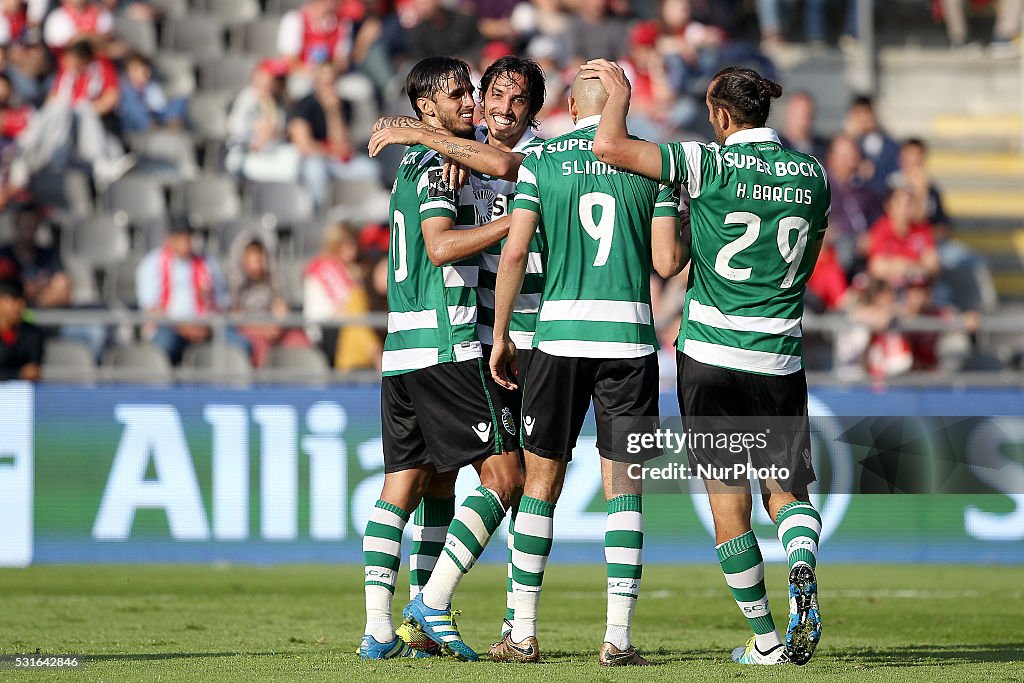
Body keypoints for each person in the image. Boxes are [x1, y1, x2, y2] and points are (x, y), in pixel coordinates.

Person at [585, 60, 829, 665]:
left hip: (710, 353)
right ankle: (800, 564)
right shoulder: (814, 175)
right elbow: (809, 262)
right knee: (788, 493)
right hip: (776, 352)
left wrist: (618, 95)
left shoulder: (707, 162)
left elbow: (610, 147)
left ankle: (767, 640)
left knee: (728, 503)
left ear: (720, 115)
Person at [489, 72, 685, 666]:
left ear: (570, 106)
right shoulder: (650, 163)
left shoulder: (542, 159)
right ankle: (617, 639)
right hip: (627, 341)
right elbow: (666, 261)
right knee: (624, 489)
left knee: (540, 486)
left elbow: (518, 251)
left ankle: (522, 634)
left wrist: (500, 335)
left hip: (557, 340)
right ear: (619, 105)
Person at [369, 53, 547, 647]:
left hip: (402, 347)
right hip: (448, 342)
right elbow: (442, 247)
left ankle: (382, 630)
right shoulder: (432, 161)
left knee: (418, 485)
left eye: (475, 92)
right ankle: (430, 604)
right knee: (506, 476)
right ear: (426, 108)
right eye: (460, 95)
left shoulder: (437, 158)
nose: (474, 103)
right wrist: (519, 220)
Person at [136, 221, 247, 365]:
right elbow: (150, 308)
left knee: (240, 345)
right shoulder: (152, 263)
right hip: (167, 326)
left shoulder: (207, 262)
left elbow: (221, 302)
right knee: (166, 344)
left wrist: (207, 323)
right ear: (169, 239)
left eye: (189, 237)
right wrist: (182, 327)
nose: (187, 242)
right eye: (181, 237)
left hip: (206, 326)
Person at [288, 62, 378, 211]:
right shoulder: (304, 104)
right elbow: (304, 145)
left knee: (370, 169)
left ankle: (362, 216)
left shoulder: (344, 105)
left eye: (331, 82)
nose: (328, 86)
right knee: (315, 170)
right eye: (324, 82)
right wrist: (331, 151)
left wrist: (333, 113)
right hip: (315, 158)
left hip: (335, 158)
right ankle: (318, 214)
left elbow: (343, 144)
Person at [224, 58, 301, 183]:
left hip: (273, 152)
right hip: (249, 152)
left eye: (280, 79)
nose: (277, 83)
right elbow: (235, 129)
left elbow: (285, 131)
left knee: (293, 159)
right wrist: (255, 134)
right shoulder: (247, 97)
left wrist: (274, 131)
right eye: (274, 78)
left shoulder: (283, 100)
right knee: (235, 161)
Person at [116, 52, 187, 135]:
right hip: (133, 126)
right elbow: (132, 112)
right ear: (127, 72)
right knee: (131, 105)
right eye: (135, 69)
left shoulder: (151, 87)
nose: (143, 72)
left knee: (180, 101)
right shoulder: (124, 89)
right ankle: (155, 128)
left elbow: (160, 107)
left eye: (145, 69)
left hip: (154, 118)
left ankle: (170, 126)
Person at [0, 279, 42, 381]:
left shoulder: (32, 333)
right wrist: (17, 374)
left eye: (22, 302)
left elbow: (32, 369)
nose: (19, 307)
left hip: (21, 392)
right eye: (14, 301)